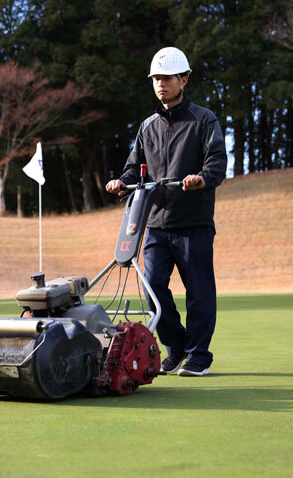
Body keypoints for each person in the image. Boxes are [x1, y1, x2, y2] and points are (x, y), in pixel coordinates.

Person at [106, 46, 227, 376]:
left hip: (193, 222)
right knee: (153, 287)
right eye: (156, 79)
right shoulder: (147, 127)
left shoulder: (204, 119)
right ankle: (175, 347)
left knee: (199, 292)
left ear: (184, 80)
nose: (161, 84)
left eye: (167, 78)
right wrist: (121, 182)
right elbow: (136, 169)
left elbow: (216, 162)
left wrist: (201, 179)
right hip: (156, 222)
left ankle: (199, 355)